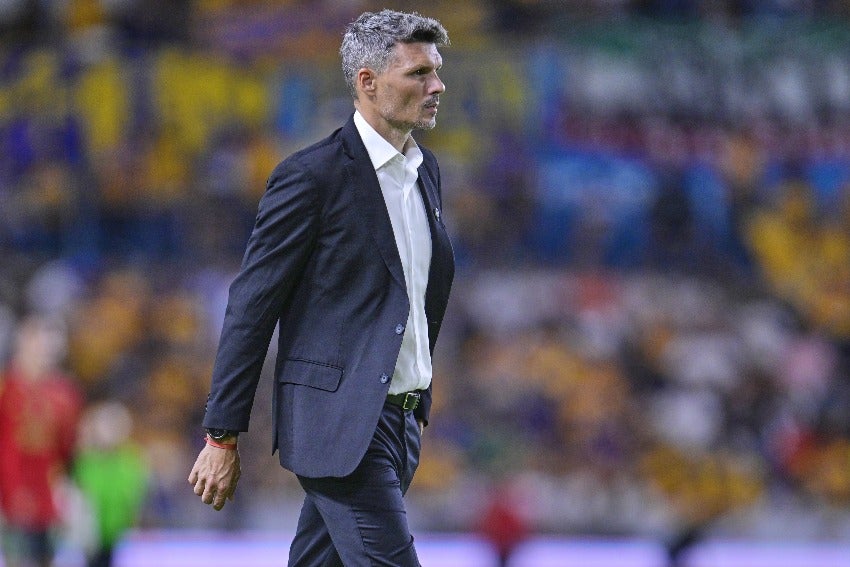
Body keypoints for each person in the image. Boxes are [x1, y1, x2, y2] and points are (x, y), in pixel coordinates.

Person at [188, 9, 454, 567]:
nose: (437, 86)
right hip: (341, 426)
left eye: (436, 71)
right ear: (368, 82)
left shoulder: (424, 172)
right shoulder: (311, 177)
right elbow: (251, 306)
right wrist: (221, 435)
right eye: (419, 73)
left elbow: (411, 298)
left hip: (399, 424)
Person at [0, 315, 83, 567]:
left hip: (48, 497)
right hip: (9, 494)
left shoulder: (65, 395)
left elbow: (67, 450)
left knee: (47, 557)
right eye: (36, 341)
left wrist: (66, 489)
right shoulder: (6, 388)